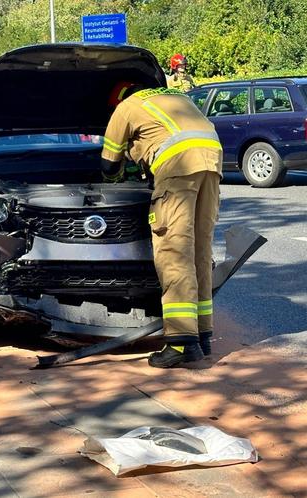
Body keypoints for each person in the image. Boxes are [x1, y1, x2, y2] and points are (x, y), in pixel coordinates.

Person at [101, 83, 223, 368]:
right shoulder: (176, 97)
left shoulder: (127, 107)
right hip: (211, 161)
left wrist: (120, 173)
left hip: (177, 167)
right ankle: (202, 335)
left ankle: (180, 343)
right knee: (199, 252)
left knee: (174, 252)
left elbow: (108, 165)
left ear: (118, 97)